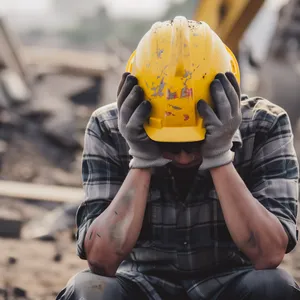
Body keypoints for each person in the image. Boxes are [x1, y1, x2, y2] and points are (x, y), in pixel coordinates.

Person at [56, 17, 300, 300]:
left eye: (195, 144)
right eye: (170, 146)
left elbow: (269, 255)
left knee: (275, 287)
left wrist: (219, 156)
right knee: (89, 290)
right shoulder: (107, 127)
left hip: (230, 286)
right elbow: (101, 261)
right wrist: (143, 159)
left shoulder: (265, 125)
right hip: (140, 285)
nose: (183, 158)